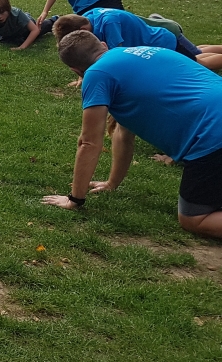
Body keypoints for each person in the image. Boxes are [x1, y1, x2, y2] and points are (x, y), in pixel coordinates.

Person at [43, 32, 222, 238]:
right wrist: (112, 183)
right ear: (103, 44)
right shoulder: (144, 51)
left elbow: (89, 142)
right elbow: (122, 133)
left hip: (213, 135)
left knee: (194, 218)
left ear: (76, 71)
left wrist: (75, 199)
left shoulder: (97, 73)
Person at [53, 9, 222, 71]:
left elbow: (115, 55)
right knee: (197, 51)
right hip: (159, 37)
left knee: (199, 63)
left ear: (83, 30)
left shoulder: (109, 23)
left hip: (162, 43)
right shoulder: (88, 17)